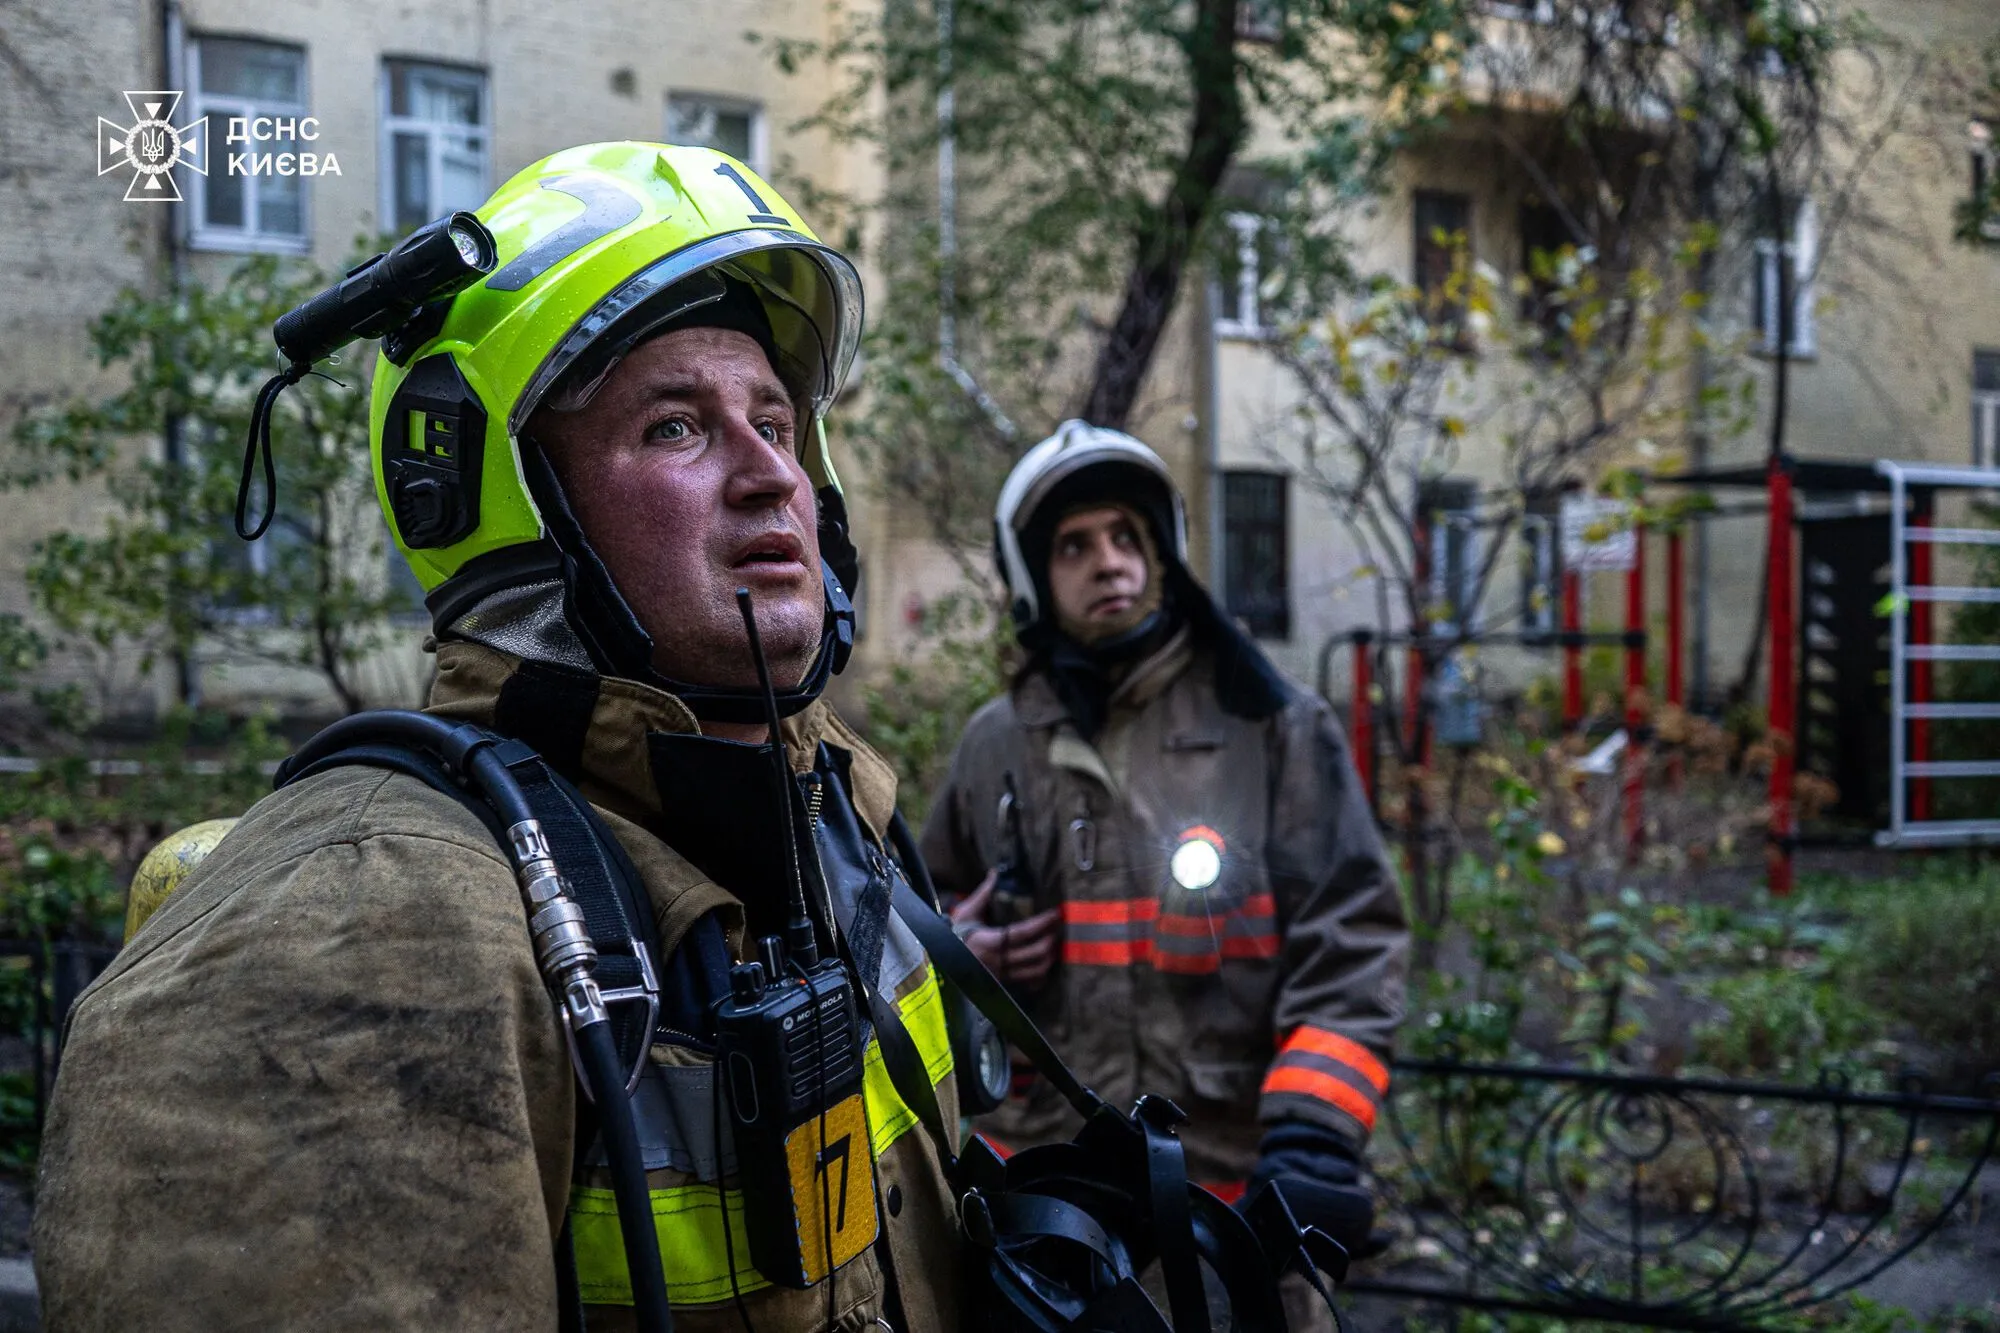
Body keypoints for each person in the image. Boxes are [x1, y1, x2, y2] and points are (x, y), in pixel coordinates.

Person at [35, 142, 961, 1332]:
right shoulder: (351, 930)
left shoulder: (837, 811)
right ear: (497, 497)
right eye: (678, 428)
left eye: (776, 421)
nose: (769, 477)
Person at [921, 420, 1409, 1324]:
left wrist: (1312, 1139)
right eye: (1074, 545)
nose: (1108, 563)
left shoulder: (1272, 727)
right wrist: (963, 958)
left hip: (1238, 1221)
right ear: (1034, 575)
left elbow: (1355, 945)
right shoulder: (995, 746)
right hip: (1052, 1226)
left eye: (1126, 537)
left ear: (1163, 555)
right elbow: (915, 930)